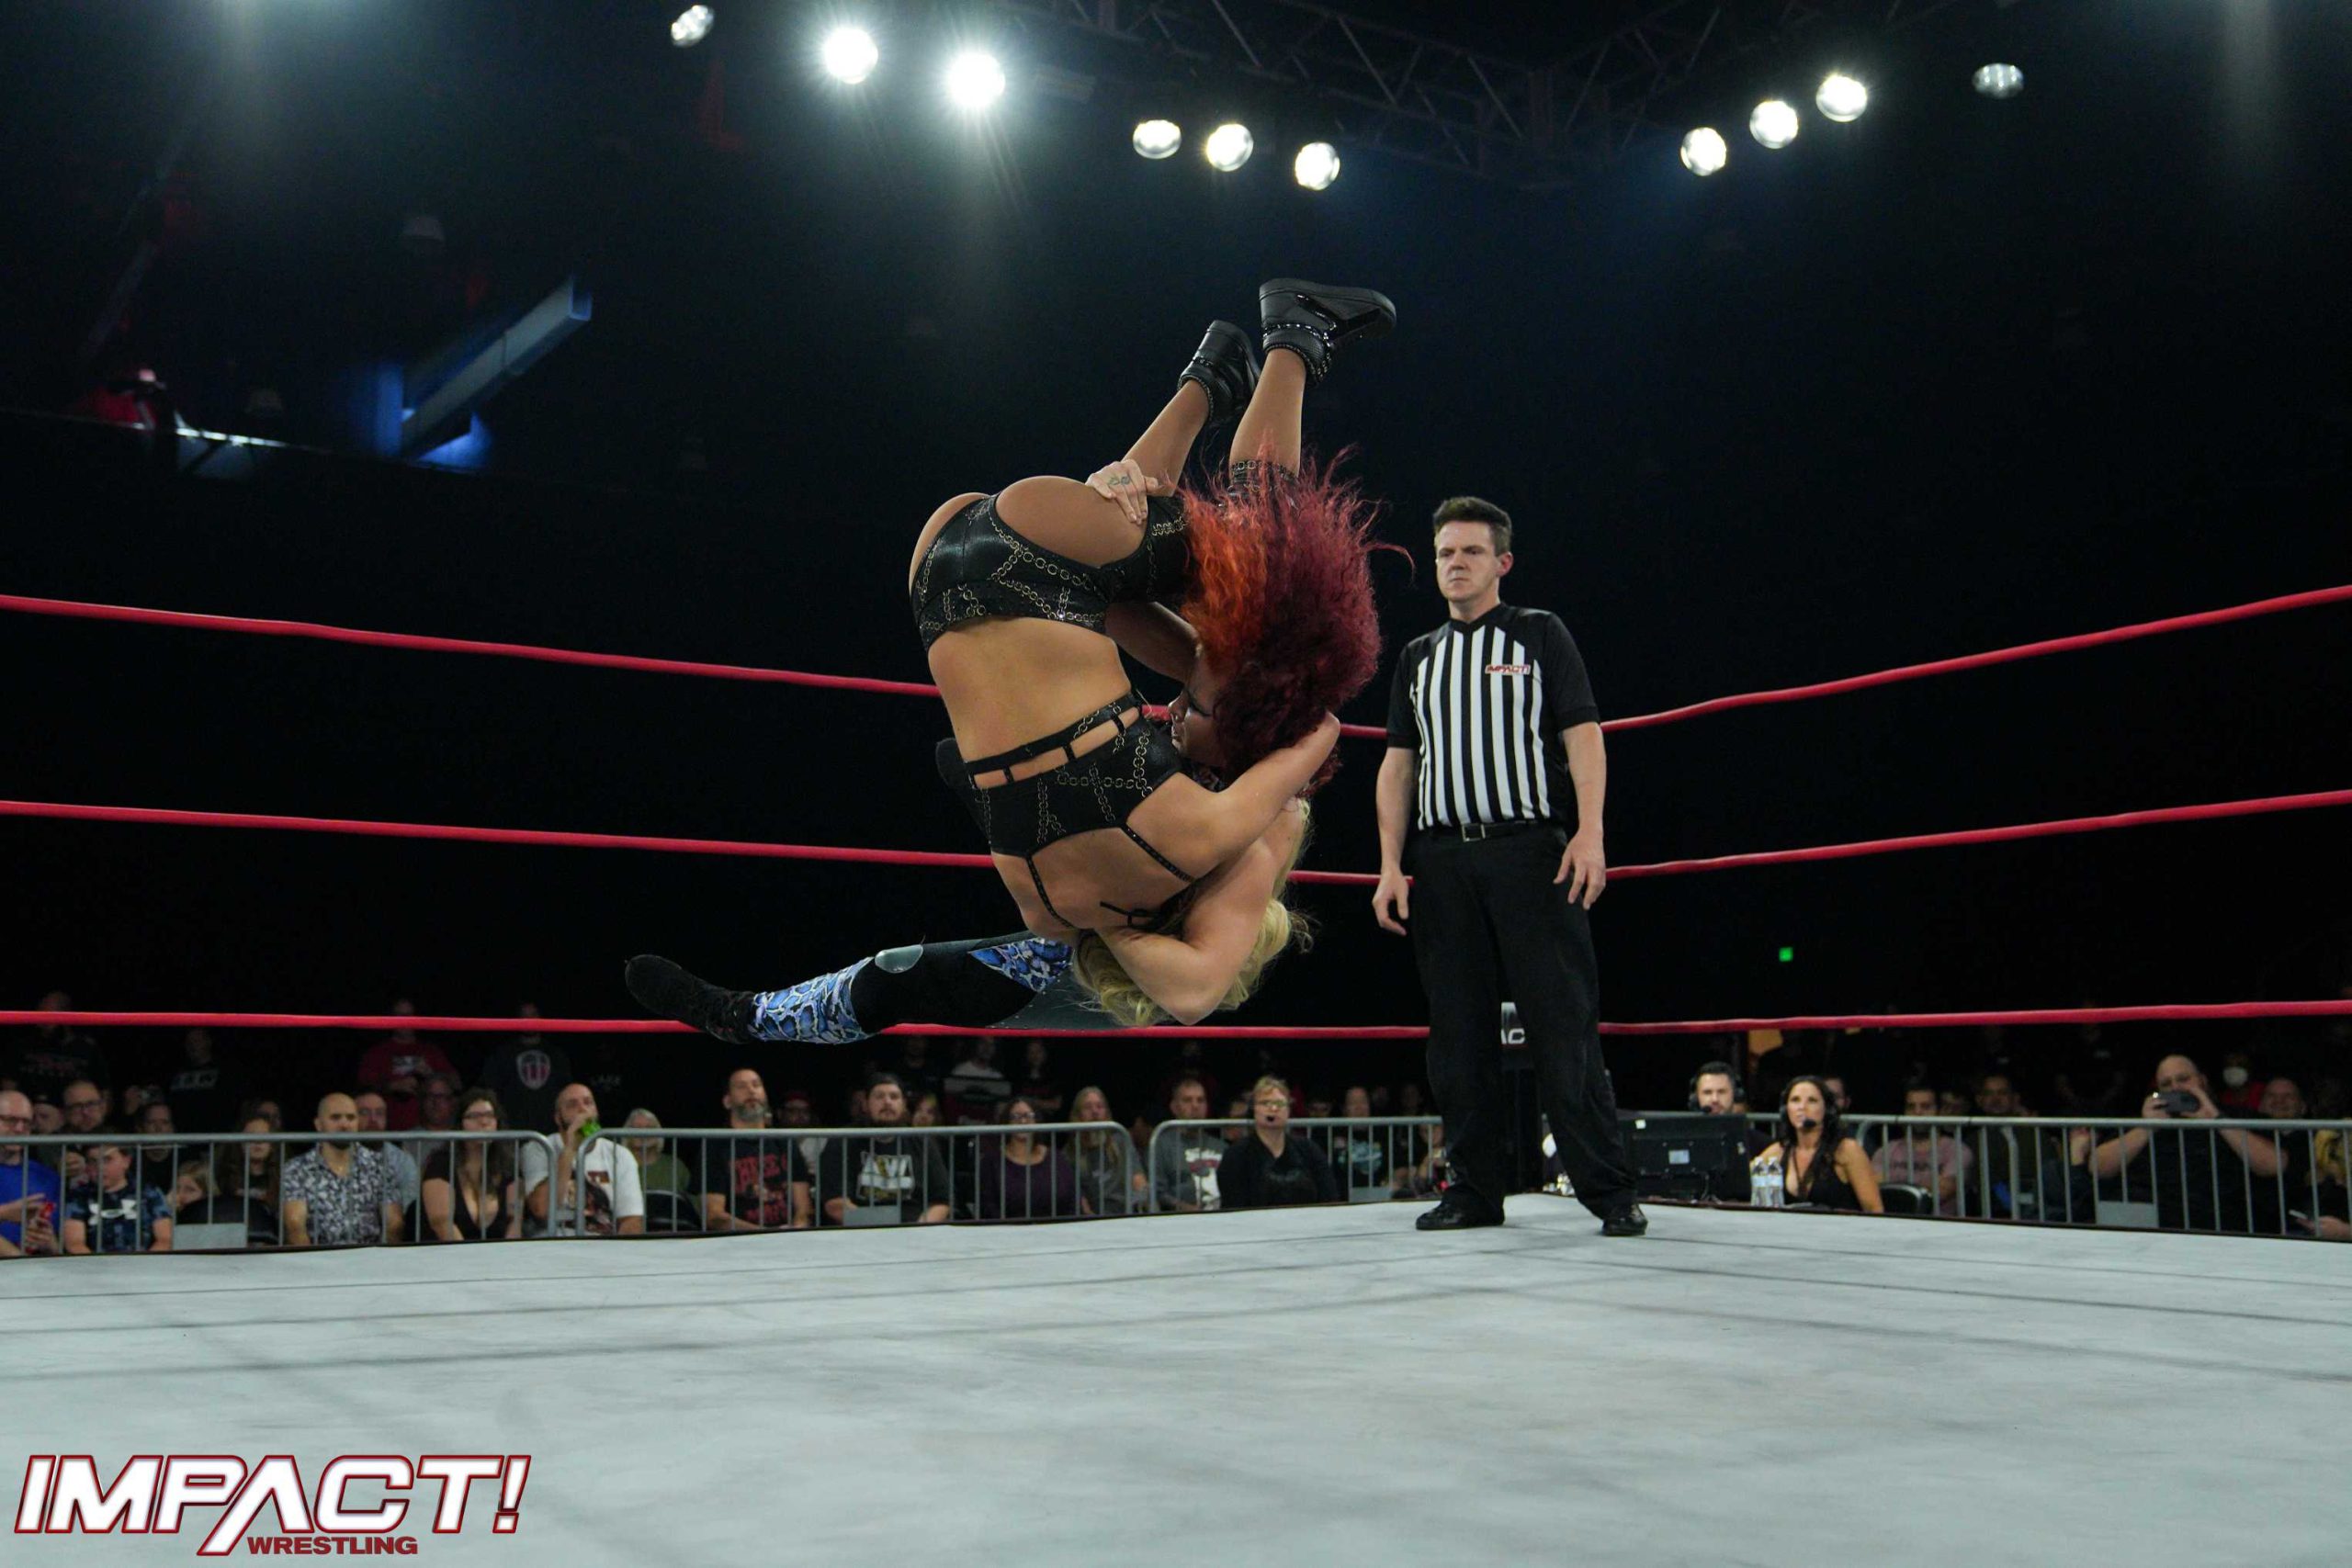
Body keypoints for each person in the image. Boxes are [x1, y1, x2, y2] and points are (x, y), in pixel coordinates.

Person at [628, 281, 1397, 1044]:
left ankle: (1274, 347)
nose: (1172, 710)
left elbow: (1317, 733)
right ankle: (1211, 380)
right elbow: (1116, 611)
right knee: (1221, 607)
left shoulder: (1200, 830)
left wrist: (1268, 748)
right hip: (940, 561)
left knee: (1261, 565)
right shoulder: (1058, 897)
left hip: (1023, 555)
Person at [1371, 495, 1643, 1235]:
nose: (1454, 564)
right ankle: (1473, 1189)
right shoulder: (1419, 657)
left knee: (1562, 1020)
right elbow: (1398, 764)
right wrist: (1390, 863)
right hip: (1441, 858)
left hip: (1529, 851)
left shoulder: (1538, 633)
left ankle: (1609, 1189)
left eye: (1470, 551)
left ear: (1502, 562)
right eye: (1444, 553)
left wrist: (1590, 833)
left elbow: (1583, 733)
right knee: (1457, 1032)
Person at [2088, 1054, 2284, 1235]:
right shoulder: (2145, 1122)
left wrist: (2216, 1120)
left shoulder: (2236, 1116)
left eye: (2183, 1079)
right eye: (2166, 1084)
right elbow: (2098, 1167)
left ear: (2202, 1081)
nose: (2175, 1088)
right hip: (2153, 1231)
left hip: (2223, 1228)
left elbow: (2274, 1164)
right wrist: (2147, 1128)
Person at [799, 1075, 951, 1225]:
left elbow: (942, 1201)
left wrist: (918, 1229)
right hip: (861, 1229)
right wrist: (881, 1229)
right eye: (879, 1096)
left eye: (894, 1097)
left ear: (904, 1105)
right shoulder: (842, 1141)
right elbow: (835, 1205)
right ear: (865, 1104)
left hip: (914, 1228)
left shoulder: (922, 1142)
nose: (887, 1102)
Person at [521, 1083, 646, 1237]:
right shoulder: (539, 1148)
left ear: (596, 1111)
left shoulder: (620, 1155)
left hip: (602, 1244)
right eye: (572, 1105)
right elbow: (542, 1210)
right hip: (553, 1243)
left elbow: (632, 1220)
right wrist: (570, 1149)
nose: (582, 1109)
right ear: (558, 1119)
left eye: (588, 1102)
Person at [281, 1093, 405, 1247]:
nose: (344, 1124)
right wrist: (312, 1261)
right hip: (318, 1257)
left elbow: (394, 1223)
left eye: (351, 1118)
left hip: (369, 1256)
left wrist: (381, 1259)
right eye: (335, 1118)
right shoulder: (297, 1169)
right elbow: (294, 1225)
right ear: (318, 1124)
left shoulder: (380, 1165)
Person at [1751, 1077, 1883, 1213]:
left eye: (1812, 1101)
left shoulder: (1847, 1150)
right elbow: (1743, 1184)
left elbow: (1875, 1209)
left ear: (1827, 1109)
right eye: (1795, 1100)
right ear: (1786, 1110)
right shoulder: (1777, 1153)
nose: (1802, 1107)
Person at [700, 1067, 799, 1232]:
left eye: (756, 1085)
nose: (751, 1091)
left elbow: (804, 1209)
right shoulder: (716, 1147)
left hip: (789, 1238)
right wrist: (765, 1234)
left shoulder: (784, 1141)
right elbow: (714, 1216)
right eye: (741, 1086)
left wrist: (796, 1230)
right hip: (740, 1240)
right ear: (727, 1101)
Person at [1216, 1077, 1337, 1209]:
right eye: (1265, 1103)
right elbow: (1233, 1204)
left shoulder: (1309, 1150)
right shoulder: (1236, 1155)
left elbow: (1329, 1197)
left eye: (1279, 1103)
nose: (1273, 1108)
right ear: (1253, 1110)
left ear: (1288, 1110)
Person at [421, 1088, 521, 1242]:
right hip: (449, 1253)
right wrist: (469, 1256)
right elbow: (442, 1225)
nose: (484, 1122)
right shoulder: (441, 1164)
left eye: (490, 1115)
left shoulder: (508, 1166)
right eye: (474, 1116)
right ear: (460, 1124)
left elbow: (515, 1223)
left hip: (498, 1253)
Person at [977, 1097, 1083, 1220]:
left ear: (1036, 1121)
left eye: (1028, 1116)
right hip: (1007, 1230)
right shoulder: (991, 1162)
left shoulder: (1057, 1159)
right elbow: (988, 1206)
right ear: (1007, 1122)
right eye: (1015, 1117)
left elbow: (1072, 1199)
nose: (1023, 1121)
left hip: (1056, 1229)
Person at [354, 1001, 455, 1132]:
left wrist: (432, 1076)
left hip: (425, 1130)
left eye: (409, 1016)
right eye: (399, 1016)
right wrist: (391, 1086)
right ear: (390, 1018)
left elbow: (456, 1084)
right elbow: (362, 1089)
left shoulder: (430, 1051)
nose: (405, 1020)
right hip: (385, 1129)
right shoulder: (377, 1054)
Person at [1871, 1086, 1973, 1211]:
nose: (1917, 1112)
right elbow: (1876, 1191)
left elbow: (1942, 1192)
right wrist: (1928, 1185)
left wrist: (1896, 1190)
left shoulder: (1958, 1151)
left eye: (1926, 1106)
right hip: (1894, 1219)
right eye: (1911, 1107)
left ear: (1940, 1111)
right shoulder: (1886, 1151)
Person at [62, 1141, 175, 1254]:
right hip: (94, 1263)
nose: (99, 1167)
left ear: (126, 1161)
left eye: (107, 1160)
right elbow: (74, 1244)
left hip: (145, 1262)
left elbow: (164, 1240)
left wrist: (144, 1263)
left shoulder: (149, 1192)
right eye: (93, 1161)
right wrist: (98, 1265)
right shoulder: (77, 1196)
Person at [0, 1089, 63, 1258]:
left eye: (26, 1122)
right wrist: (4, 1213)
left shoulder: (47, 1177)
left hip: (34, 1268)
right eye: (10, 1120)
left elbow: (56, 1251)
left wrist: (48, 1242)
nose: (19, 1128)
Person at [1150, 1077, 1225, 1212]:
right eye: (1187, 1100)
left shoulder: (1221, 1146)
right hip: (1181, 1218)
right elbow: (1158, 1191)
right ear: (1174, 1107)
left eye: (1200, 1100)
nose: (1195, 1106)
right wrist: (1188, 1210)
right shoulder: (1161, 1145)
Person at [1070, 1086, 1145, 1217]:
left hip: (1127, 1212)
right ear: (1078, 1115)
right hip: (1094, 1218)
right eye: (1088, 1107)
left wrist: (1137, 1210)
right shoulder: (1070, 1153)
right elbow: (1080, 1200)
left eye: (1100, 1106)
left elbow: (1138, 1179)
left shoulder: (1121, 1141)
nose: (1095, 1111)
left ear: (1106, 1112)